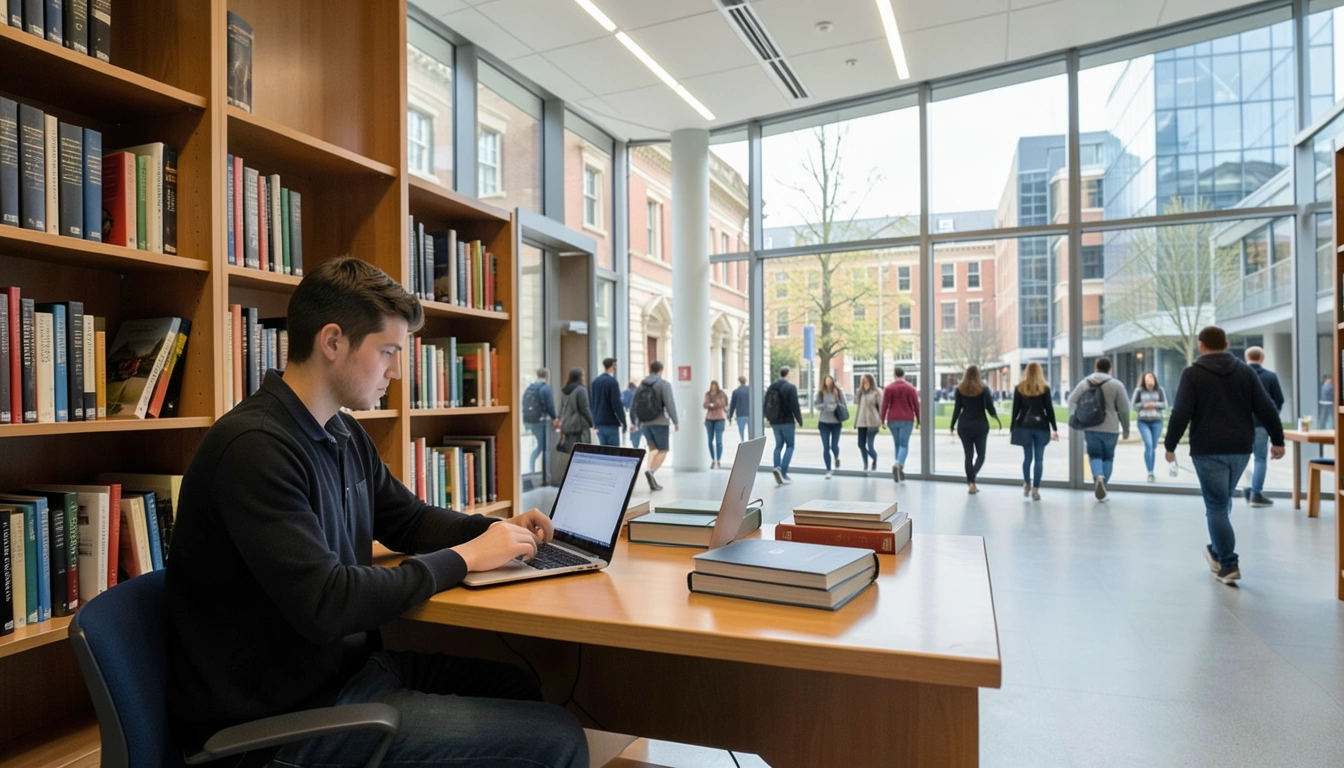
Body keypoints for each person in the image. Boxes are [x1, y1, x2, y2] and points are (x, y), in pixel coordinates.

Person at [165, 257, 587, 768]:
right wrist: (467, 556)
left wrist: (496, 530)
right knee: (558, 738)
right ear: (333, 342)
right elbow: (328, 603)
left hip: (344, 676)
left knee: (519, 683)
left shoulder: (340, 432)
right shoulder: (254, 449)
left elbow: (407, 521)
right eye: (387, 351)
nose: (398, 371)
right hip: (277, 724)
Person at [1164, 326, 1285, 585]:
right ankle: (1217, 552)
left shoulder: (1192, 373)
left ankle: (1228, 563)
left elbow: (1181, 412)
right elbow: (1267, 407)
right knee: (1222, 502)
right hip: (1241, 447)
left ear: (1200, 345)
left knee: (1217, 505)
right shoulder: (1245, 372)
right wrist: (1277, 440)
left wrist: (1170, 445)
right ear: (1227, 344)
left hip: (1208, 449)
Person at [1068, 357, 1130, 501]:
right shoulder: (1116, 385)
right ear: (1110, 369)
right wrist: (1125, 428)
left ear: (1096, 367)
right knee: (1108, 457)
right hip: (1111, 428)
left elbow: (1071, 400)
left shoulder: (1085, 383)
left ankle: (1098, 477)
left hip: (1091, 426)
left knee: (1094, 455)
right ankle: (1104, 486)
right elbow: (1124, 409)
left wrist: (1078, 415)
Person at [1243, 346, 1285, 508]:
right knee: (1260, 458)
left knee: (1242, 458)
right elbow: (1278, 401)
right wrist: (1271, 418)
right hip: (1261, 424)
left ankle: (1249, 490)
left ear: (1247, 357)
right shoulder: (1270, 376)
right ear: (1262, 358)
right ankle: (1256, 494)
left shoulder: (1239, 375)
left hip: (1241, 424)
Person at [1011, 361, 1058, 500]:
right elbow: (1049, 409)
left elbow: (1015, 410)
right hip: (1041, 426)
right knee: (1039, 459)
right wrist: (1054, 428)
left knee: (1027, 458)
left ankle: (1027, 483)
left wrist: (1012, 427)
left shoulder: (1019, 388)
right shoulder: (1044, 388)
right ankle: (1036, 490)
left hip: (1024, 426)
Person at [949, 365, 998, 494]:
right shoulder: (983, 389)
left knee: (968, 456)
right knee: (981, 455)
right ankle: (972, 478)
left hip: (964, 424)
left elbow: (957, 409)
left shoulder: (960, 390)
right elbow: (990, 407)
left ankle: (971, 482)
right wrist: (995, 416)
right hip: (980, 424)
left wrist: (952, 425)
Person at [631, 360, 678, 491]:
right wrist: (675, 421)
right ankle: (651, 471)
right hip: (660, 422)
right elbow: (670, 404)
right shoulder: (664, 384)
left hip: (644, 423)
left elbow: (633, 405)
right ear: (661, 370)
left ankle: (650, 473)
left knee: (653, 449)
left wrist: (635, 422)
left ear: (650, 369)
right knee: (663, 450)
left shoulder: (641, 385)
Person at [764, 366, 803, 485]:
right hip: (787, 421)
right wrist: (799, 419)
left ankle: (776, 467)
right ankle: (783, 471)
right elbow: (794, 405)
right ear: (788, 374)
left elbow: (765, 403)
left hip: (775, 421)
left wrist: (768, 417)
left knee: (778, 446)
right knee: (790, 445)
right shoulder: (790, 387)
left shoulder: (772, 387)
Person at [880, 366, 919, 483]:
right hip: (907, 418)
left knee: (897, 444)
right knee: (904, 445)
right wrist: (919, 419)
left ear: (894, 375)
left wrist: (882, 419)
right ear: (904, 375)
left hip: (892, 419)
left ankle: (898, 465)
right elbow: (916, 405)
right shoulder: (910, 388)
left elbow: (884, 405)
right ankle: (899, 464)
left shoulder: (889, 388)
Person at [1131, 372, 1168, 483]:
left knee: (1153, 447)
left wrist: (1155, 404)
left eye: (1151, 378)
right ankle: (1150, 472)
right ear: (1144, 380)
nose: (1149, 381)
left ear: (1154, 379)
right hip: (1143, 421)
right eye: (1147, 379)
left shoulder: (1160, 390)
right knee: (1149, 445)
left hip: (1157, 421)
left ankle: (1152, 469)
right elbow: (1133, 405)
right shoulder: (1139, 391)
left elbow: (1165, 404)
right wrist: (1144, 405)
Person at [522, 368, 560, 475]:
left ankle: (533, 469)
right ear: (547, 375)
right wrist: (555, 418)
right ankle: (546, 473)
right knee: (544, 446)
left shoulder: (530, 388)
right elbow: (550, 406)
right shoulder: (546, 388)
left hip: (530, 421)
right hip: (541, 422)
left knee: (541, 445)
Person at [590, 357, 626, 447]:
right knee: (613, 453)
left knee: (603, 452)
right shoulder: (612, 382)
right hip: (610, 422)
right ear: (613, 365)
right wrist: (623, 421)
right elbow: (616, 403)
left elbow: (592, 402)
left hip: (598, 422)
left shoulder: (595, 382)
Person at [557, 367, 593, 454]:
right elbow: (584, 409)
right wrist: (592, 422)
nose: (584, 377)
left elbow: (562, 408)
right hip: (579, 426)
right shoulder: (581, 390)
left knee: (571, 451)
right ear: (580, 377)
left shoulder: (565, 390)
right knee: (583, 452)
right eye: (583, 375)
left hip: (567, 425)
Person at [815, 375, 845, 479]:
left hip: (836, 422)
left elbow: (844, 405)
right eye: (826, 380)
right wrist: (825, 405)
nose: (828, 382)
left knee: (834, 445)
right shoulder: (820, 393)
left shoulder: (838, 392)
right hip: (824, 422)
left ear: (832, 381)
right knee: (826, 447)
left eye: (829, 380)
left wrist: (836, 405)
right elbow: (816, 405)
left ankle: (836, 457)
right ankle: (828, 469)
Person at [854, 374, 882, 473]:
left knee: (870, 445)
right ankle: (865, 464)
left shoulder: (876, 392)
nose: (864, 383)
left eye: (865, 381)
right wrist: (856, 422)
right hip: (861, 421)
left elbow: (881, 407)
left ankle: (874, 459)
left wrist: (882, 420)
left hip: (872, 422)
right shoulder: (860, 392)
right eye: (862, 381)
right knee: (861, 444)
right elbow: (858, 406)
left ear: (870, 381)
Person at [703, 380, 728, 468]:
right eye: (712, 386)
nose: (713, 387)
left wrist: (714, 404)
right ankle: (713, 459)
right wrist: (711, 405)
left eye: (714, 386)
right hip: (709, 419)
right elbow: (705, 404)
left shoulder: (721, 394)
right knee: (710, 441)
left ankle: (718, 459)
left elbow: (722, 404)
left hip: (719, 418)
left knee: (719, 441)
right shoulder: (707, 394)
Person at [727, 376, 751, 442]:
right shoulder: (750, 390)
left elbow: (732, 405)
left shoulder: (736, 392)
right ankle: (750, 442)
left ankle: (742, 441)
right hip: (750, 413)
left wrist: (730, 415)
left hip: (740, 414)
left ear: (739, 382)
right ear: (745, 381)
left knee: (741, 431)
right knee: (751, 431)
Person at [623, 380, 641, 449]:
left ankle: (634, 446)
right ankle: (636, 446)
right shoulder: (638, 392)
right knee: (637, 433)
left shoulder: (625, 393)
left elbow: (622, 403)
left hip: (629, 415)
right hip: (638, 416)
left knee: (632, 432)